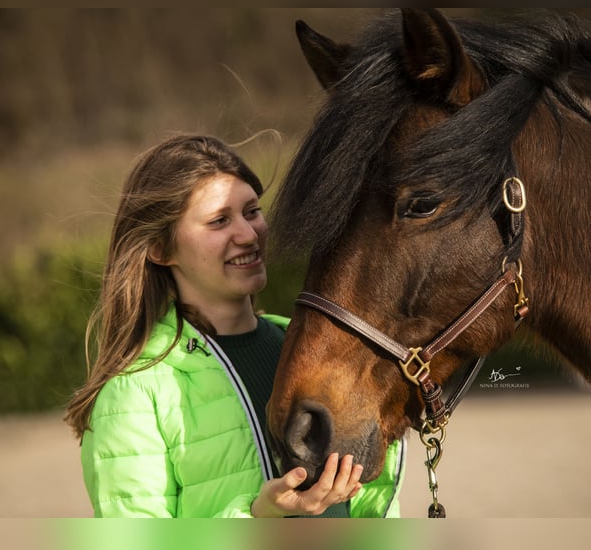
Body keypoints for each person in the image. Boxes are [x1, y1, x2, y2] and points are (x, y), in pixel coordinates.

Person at [64, 133, 405, 517]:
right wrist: (259, 518)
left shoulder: (312, 350)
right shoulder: (136, 391)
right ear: (160, 249)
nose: (248, 235)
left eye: (252, 211)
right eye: (218, 221)